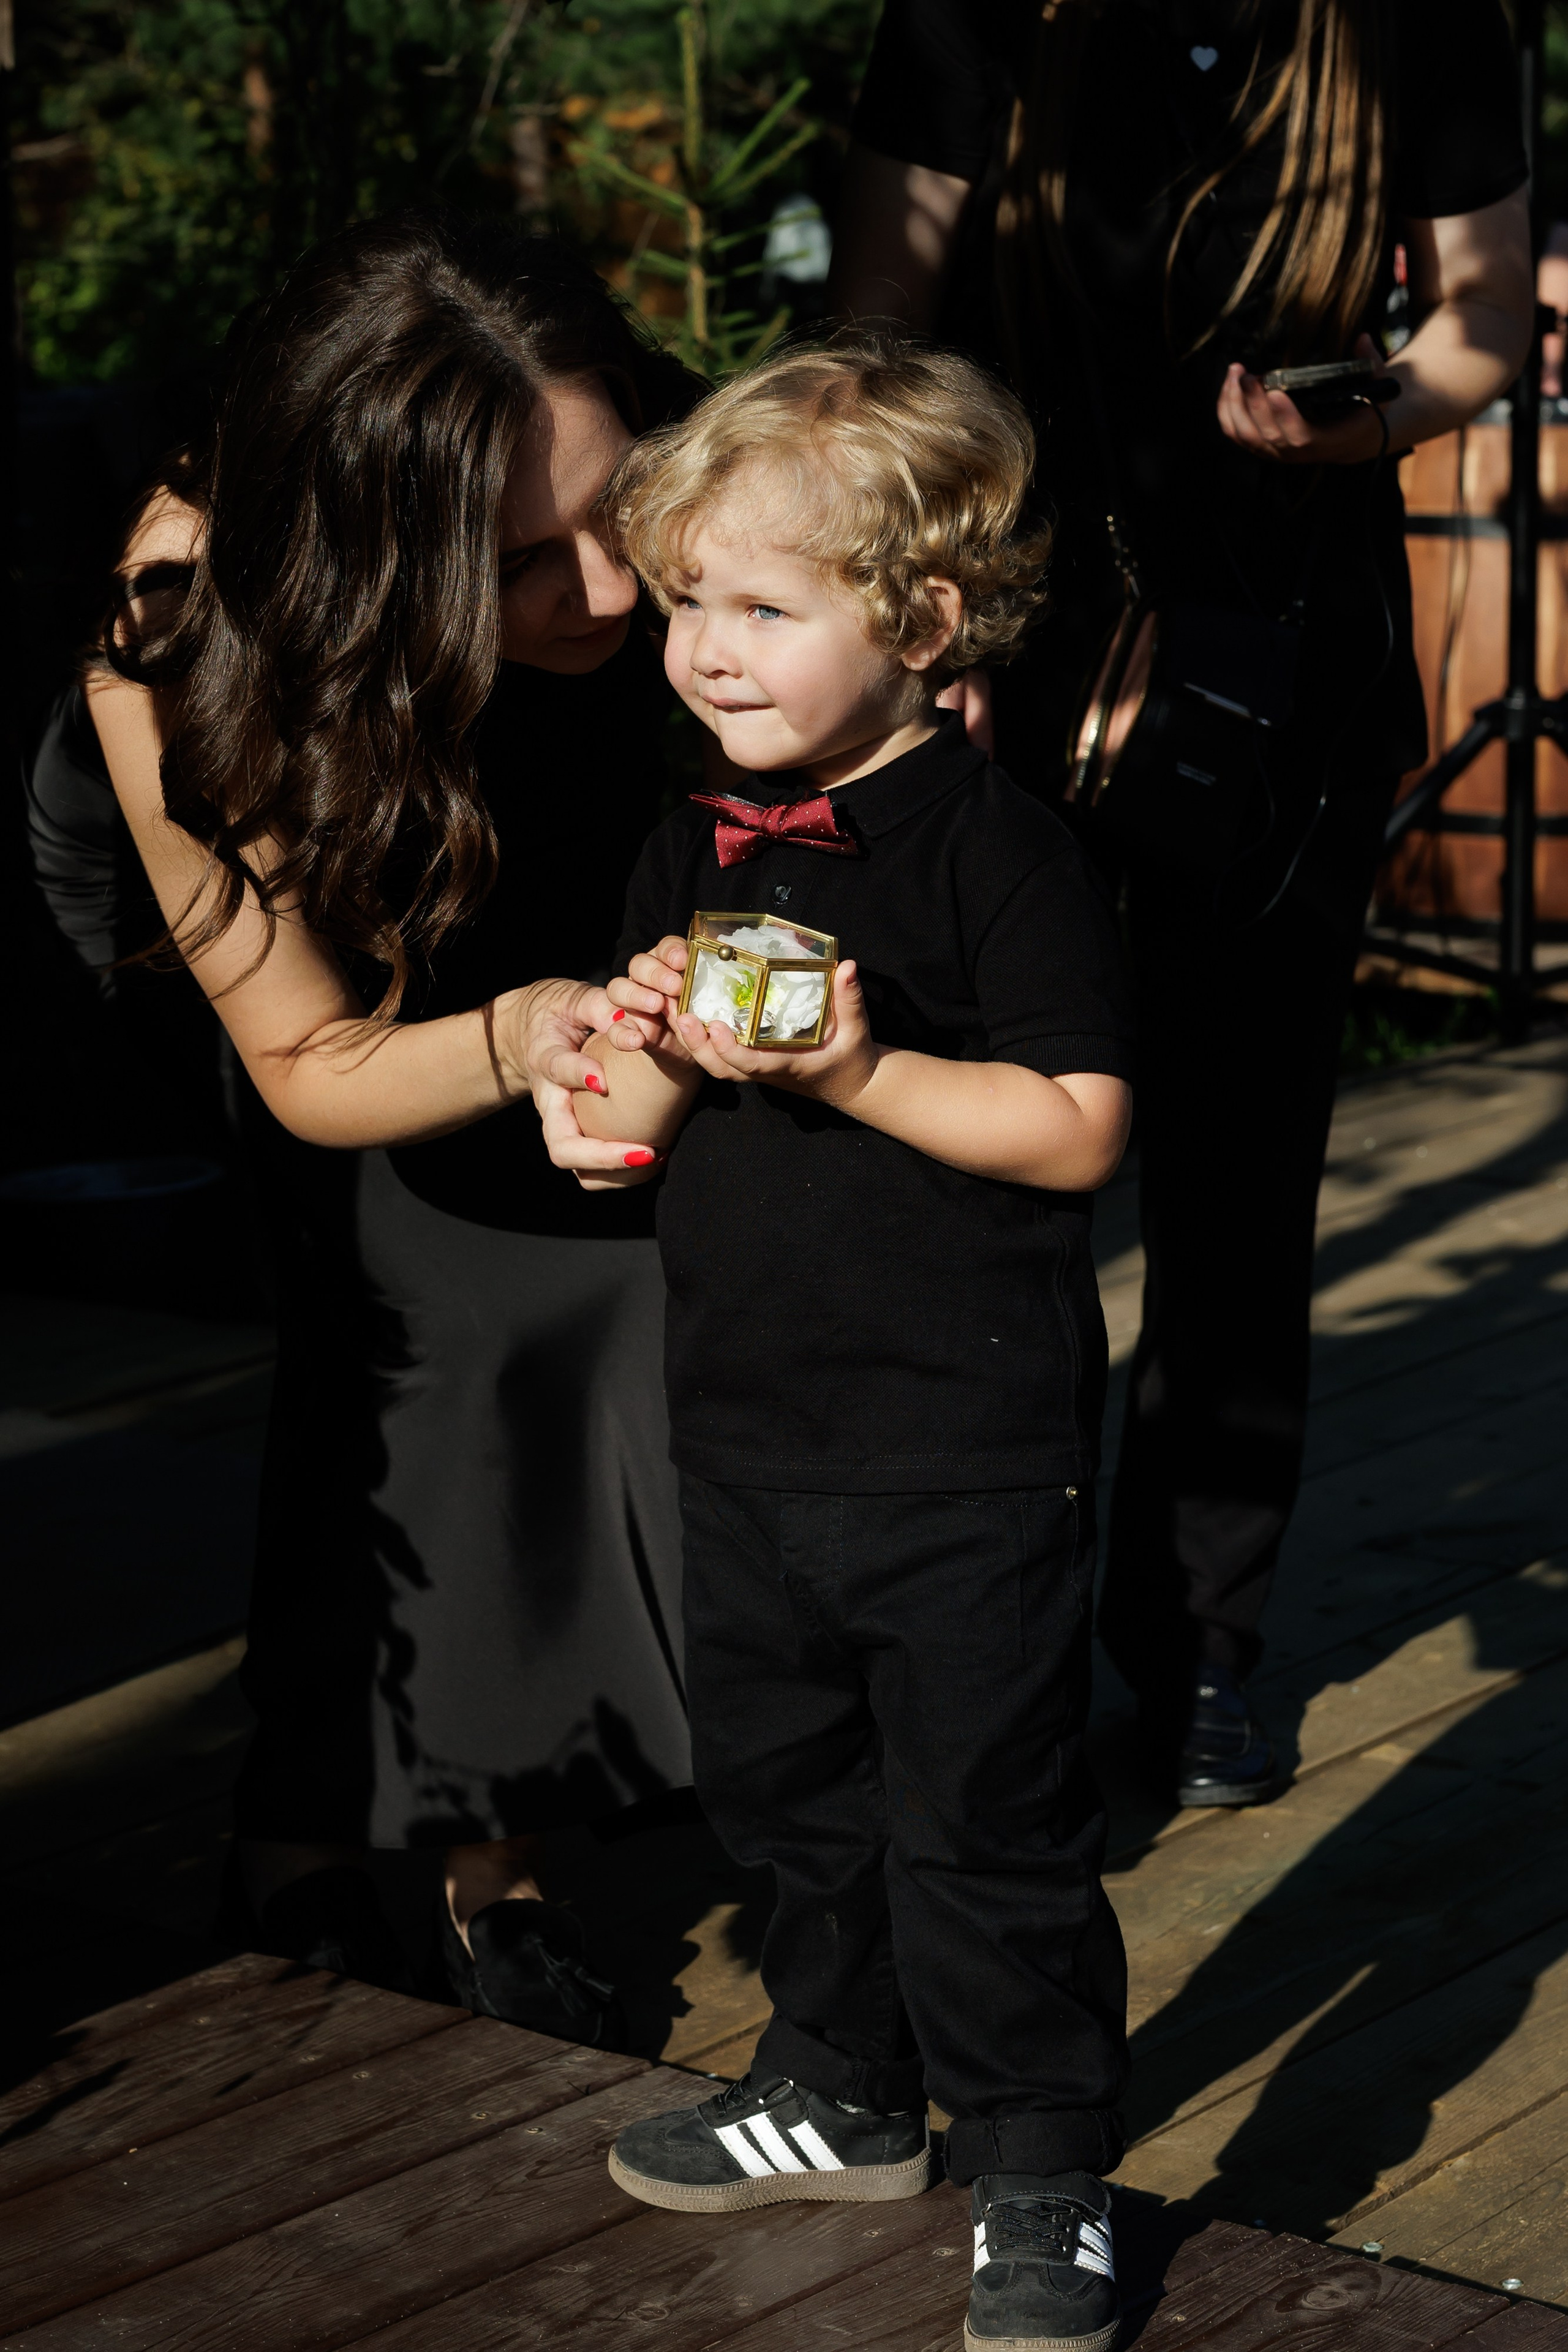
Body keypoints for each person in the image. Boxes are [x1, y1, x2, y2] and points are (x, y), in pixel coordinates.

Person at [829, 0, 1535, 1804]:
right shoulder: (973, 17)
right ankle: (984, 1637)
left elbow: (1475, 324)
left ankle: (1203, 1641)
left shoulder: (1421, 18)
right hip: (1009, 654)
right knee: (985, 1177)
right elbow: (874, 348)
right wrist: (918, 621)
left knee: (1239, 1186)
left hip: (1286, 677)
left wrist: (1369, 421)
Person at [561, 341, 1136, 2352]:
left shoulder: (1000, 850)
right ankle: (843, 2086)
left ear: (924, 623)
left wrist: (868, 1065)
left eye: (766, 606)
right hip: (746, 1432)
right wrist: (611, 1077)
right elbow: (632, 1146)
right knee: (792, 1795)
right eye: (691, 600)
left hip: (966, 1450)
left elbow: (1075, 1126)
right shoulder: (698, 840)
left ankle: (1048, 2161)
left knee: (987, 1816)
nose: (707, 649)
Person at [85, 209, 703, 2040]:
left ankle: (474, 1853)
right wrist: (525, 1034)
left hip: (524, 792)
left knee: (580, 1295)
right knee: (412, 1328)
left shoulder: (589, 565)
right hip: (292, 894)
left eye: (627, 514)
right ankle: (337, 1849)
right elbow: (315, 1062)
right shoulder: (183, 636)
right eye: (532, 559)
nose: (611, 589)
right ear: (383, 558)